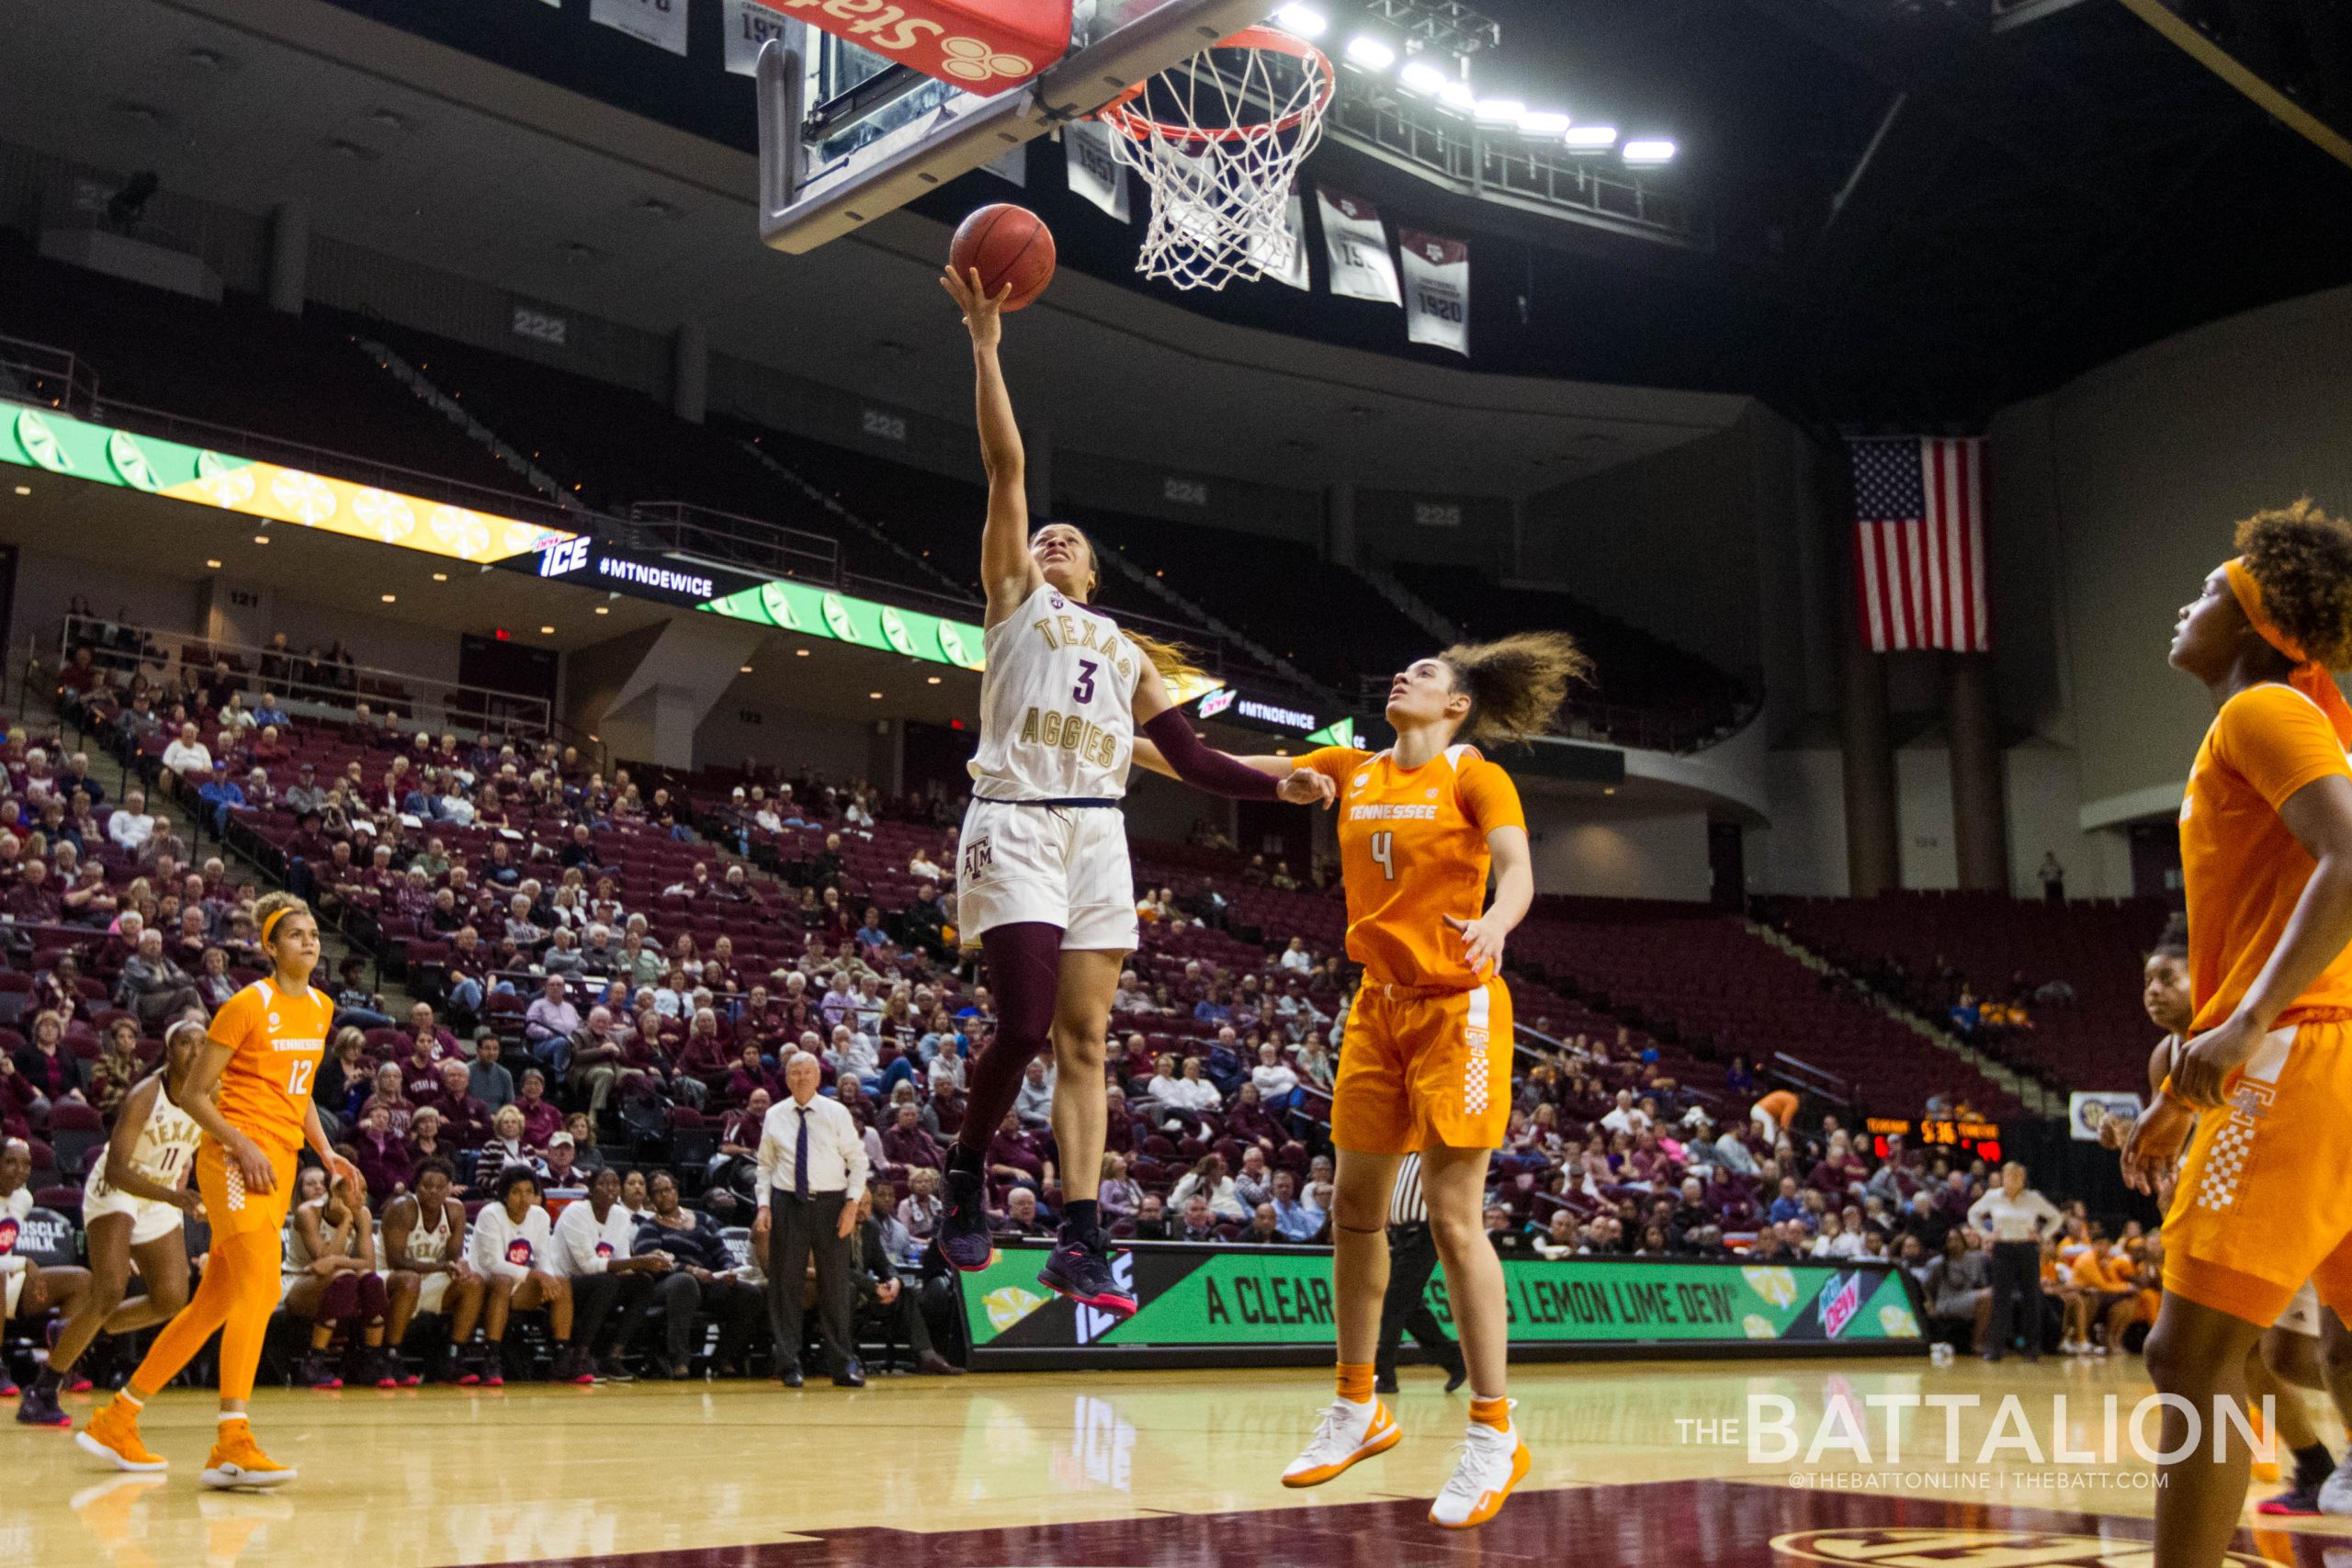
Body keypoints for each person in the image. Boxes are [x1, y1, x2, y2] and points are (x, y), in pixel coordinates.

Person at [926, 265, 1331, 1325]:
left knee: (1087, 1044)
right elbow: (1005, 466)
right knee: (1018, 1025)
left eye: (1071, 541)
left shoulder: (1126, 654)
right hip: (1013, 819)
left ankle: (1079, 1229)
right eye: (1044, 535)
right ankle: (965, 1167)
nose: (1052, 539)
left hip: (1096, 837)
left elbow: (1190, 761)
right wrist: (985, 347)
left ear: (1096, 577)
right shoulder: (1014, 604)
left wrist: (1277, 782)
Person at [1156, 634, 1578, 1529]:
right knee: (1354, 1208)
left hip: (1456, 1006)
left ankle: (1493, 1432)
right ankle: (1357, 1404)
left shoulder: (1472, 775)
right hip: (1377, 1007)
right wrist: (1105, 738)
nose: (1403, 673)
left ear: (1456, 704)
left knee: (1455, 1218)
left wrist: (1500, 922)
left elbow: (1516, 868)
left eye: (1424, 672)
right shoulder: (1347, 767)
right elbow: (1212, 763)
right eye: (1402, 666)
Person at [2115, 505, 2352, 1557]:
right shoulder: (2294, 717)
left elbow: (2351, 858)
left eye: (2208, 590)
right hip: (2321, 1050)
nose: (2186, 604)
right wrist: (2175, 1099)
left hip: (2298, 1054)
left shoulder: (2262, 712)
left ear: (2255, 624)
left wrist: (2250, 1022)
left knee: (2190, 1354)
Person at [79, 891, 356, 1487]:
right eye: (297, 933)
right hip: (233, 1157)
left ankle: (117, 1417)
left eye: (314, 932)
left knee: (215, 1303)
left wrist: (326, 1150)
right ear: (271, 946)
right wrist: (245, 1144)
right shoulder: (244, 1004)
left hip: (279, 1158)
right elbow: (197, 1094)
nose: (311, 940)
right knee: (258, 1289)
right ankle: (232, 1440)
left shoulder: (322, 1006)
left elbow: (298, 1090)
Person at [17, 1019, 206, 1427]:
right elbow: (118, 1171)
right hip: (115, 1189)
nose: (196, 1050)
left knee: (172, 1298)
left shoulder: (211, 1093)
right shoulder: (144, 1096)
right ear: (169, 1052)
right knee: (108, 1290)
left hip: (158, 1194)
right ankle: (42, 1390)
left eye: (202, 1044)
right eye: (186, 1043)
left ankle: (73, 1333)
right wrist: (175, 1195)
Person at [753, 1050, 867, 1388]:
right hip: (787, 1203)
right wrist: (763, 1205)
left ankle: (842, 1363)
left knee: (835, 1286)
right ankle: (788, 1362)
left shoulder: (836, 1112)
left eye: (807, 1072)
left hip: (832, 1206)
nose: (801, 1078)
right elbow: (764, 1166)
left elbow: (858, 1161)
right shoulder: (774, 1115)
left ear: (818, 1078)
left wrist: (851, 1205)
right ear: (786, 1078)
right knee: (785, 1287)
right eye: (795, 1073)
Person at [466, 1164, 592, 1385]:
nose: (524, 1198)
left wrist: (548, 1279)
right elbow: (493, 1263)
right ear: (504, 1195)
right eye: (516, 1192)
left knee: (561, 1283)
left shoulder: (540, 1216)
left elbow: (544, 1257)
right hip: (484, 1285)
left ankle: (562, 1358)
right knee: (504, 1281)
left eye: (529, 1192)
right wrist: (536, 1276)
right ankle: (491, 1358)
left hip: (518, 1283)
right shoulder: (490, 1214)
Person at [637, 1170, 767, 1379]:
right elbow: (653, 1263)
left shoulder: (702, 1218)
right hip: (668, 1285)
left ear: (676, 1191)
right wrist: (691, 1270)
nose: (665, 1195)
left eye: (668, 1189)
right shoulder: (649, 1228)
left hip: (709, 1281)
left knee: (750, 1294)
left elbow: (720, 1249)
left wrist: (729, 1269)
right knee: (685, 1282)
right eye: (658, 1192)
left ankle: (723, 1357)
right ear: (651, 1199)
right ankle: (679, 1359)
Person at [550, 1166, 674, 1380]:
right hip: (566, 1284)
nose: (610, 1189)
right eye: (603, 1183)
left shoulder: (619, 1216)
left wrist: (650, 1262)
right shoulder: (576, 1212)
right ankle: (579, 1358)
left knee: (643, 1282)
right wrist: (639, 1261)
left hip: (601, 1284)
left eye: (615, 1184)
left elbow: (623, 1263)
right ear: (591, 1189)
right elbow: (588, 1266)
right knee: (607, 1281)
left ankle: (613, 1356)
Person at [381, 1158, 488, 1383]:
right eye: (427, 1186)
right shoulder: (403, 1208)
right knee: (410, 1280)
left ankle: (453, 1356)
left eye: (440, 1187)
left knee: (473, 1282)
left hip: (429, 1278)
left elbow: (452, 1256)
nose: (433, 1192)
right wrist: (441, 1266)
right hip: (391, 1278)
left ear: (450, 1187)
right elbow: (395, 1261)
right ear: (415, 1187)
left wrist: (459, 1265)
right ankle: (391, 1356)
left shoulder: (456, 1210)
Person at [1371, 1152, 1468, 1397]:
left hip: (1423, 1235)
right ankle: (1455, 1362)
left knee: (1393, 1302)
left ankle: (1385, 1376)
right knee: (1409, 1307)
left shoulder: (1434, 1149)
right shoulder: (1406, 1152)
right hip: (1403, 1235)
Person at [1967, 1162, 2063, 1361]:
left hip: (2027, 1249)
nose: (2013, 1180)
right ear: (2003, 1177)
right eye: (2009, 1176)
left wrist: (2042, 1235)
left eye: (2017, 1176)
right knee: (2001, 1299)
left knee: (2032, 1298)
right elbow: (1973, 1214)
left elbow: (2056, 1217)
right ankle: (1995, 1348)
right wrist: (1985, 1234)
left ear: (2023, 1179)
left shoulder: (2033, 1198)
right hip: (2003, 1249)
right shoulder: (1993, 1196)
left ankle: (2032, 1349)